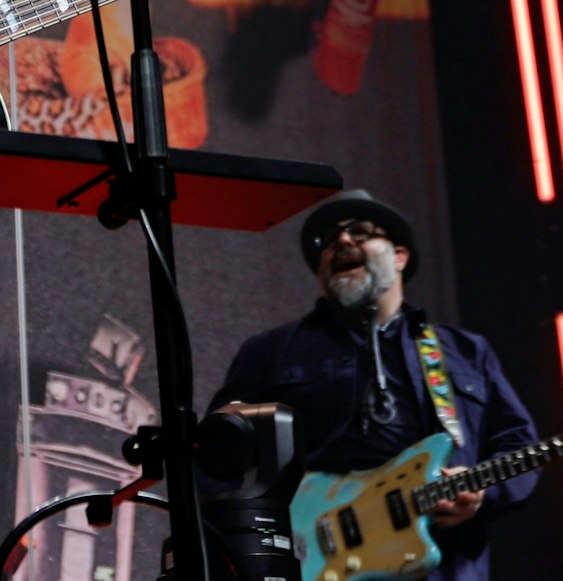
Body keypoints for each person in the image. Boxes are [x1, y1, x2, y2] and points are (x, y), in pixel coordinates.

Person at [208, 189, 540, 581]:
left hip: (440, 565)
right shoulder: (272, 351)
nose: (342, 242)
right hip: (311, 562)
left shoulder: (464, 352)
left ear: (399, 257)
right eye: (329, 242)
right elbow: (216, 456)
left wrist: (483, 494)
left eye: (361, 232)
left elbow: (519, 447)